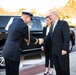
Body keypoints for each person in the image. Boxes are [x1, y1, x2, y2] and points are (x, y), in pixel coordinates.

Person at [1, 10, 43, 75]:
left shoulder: (13, 23)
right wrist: (38, 41)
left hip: (7, 51)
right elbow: (29, 37)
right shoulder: (23, 26)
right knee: (14, 72)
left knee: (8, 72)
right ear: (27, 17)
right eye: (30, 19)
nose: (29, 21)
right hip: (13, 53)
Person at [44, 11, 70, 75]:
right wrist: (40, 40)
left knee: (64, 70)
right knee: (58, 69)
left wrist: (65, 49)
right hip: (54, 52)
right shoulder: (52, 27)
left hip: (62, 51)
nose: (50, 17)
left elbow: (66, 37)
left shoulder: (63, 23)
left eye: (51, 15)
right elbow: (48, 37)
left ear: (55, 15)